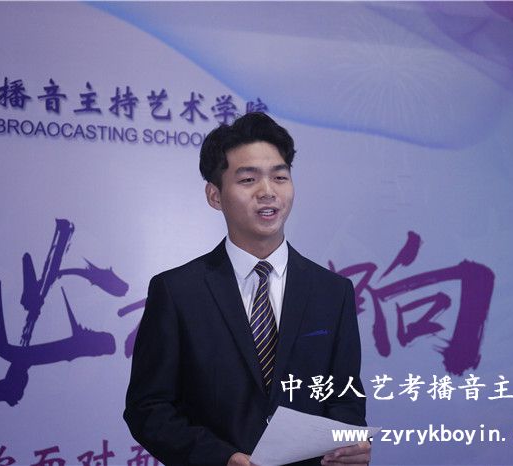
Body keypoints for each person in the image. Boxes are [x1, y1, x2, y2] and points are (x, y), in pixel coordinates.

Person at [124, 112, 371, 466]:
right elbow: (148, 408)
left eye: (280, 177)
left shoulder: (333, 292)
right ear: (215, 195)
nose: (267, 192)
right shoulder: (177, 292)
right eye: (248, 179)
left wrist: (349, 443)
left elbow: (345, 396)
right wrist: (220, 458)